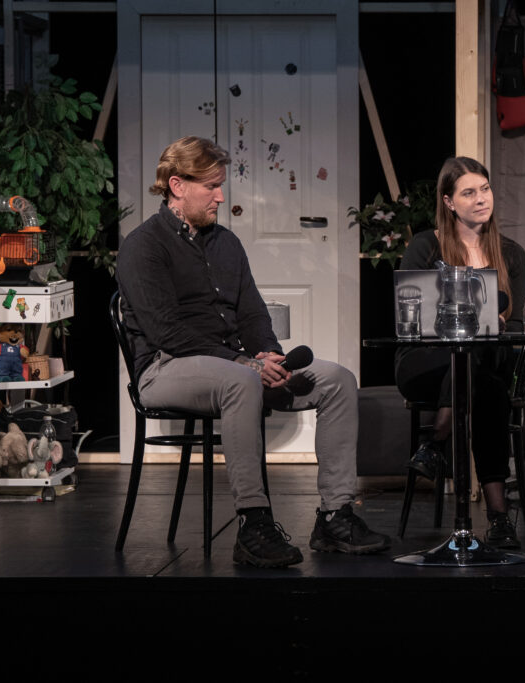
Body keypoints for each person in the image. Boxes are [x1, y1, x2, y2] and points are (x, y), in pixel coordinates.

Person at [116, 136, 390, 569]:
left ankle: (335, 516)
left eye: (220, 186)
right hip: (165, 368)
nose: (220, 197)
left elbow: (252, 314)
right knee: (242, 380)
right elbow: (166, 331)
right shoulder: (143, 245)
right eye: (211, 186)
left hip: (233, 366)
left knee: (337, 379)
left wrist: (267, 355)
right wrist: (243, 363)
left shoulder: (226, 243)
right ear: (177, 185)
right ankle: (253, 524)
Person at [394, 156, 525, 549]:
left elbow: (517, 325)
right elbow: (409, 314)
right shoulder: (426, 245)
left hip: (483, 364)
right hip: (426, 362)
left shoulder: (511, 253)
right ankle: (499, 516)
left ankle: (435, 443)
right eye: (469, 193)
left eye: (485, 189)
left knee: (481, 372)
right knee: (475, 367)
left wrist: (496, 325)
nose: (481, 199)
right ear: (449, 202)